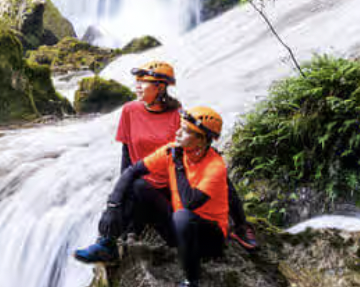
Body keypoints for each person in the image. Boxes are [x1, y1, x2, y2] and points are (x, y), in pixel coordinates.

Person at [77, 61, 258, 257]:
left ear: (160, 87)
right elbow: (126, 153)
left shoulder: (177, 114)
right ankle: (106, 242)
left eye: (143, 82)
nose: (136, 86)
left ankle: (241, 225)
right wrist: (120, 196)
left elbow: (193, 150)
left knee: (221, 176)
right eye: (137, 81)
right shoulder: (130, 111)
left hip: (173, 183)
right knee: (132, 187)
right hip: (145, 180)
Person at [76, 105, 233, 287]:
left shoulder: (215, 166)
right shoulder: (173, 150)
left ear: (202, 140)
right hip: (178, 228)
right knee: (139, 186)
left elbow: (190, 203)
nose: (178, 132)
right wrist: (112, 208)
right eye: (180, 127)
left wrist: (177, 164)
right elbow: (132, 171)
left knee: (183, 216)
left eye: (185, 131)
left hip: (207, 238)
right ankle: (107, 244)